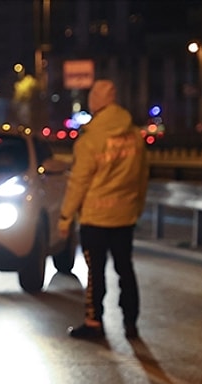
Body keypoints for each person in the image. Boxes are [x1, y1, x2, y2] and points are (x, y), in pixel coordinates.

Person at [58, 79, 149, 340]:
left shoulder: (91, 139)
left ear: (96, 101)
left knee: (95, 272)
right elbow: (142, 176)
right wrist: (137, 206)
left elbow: (79, 182)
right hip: (124, 216)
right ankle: (130, 323)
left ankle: (94, 321)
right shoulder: (133, 136)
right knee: (125, 269)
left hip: (96, 218)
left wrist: (66, 217)